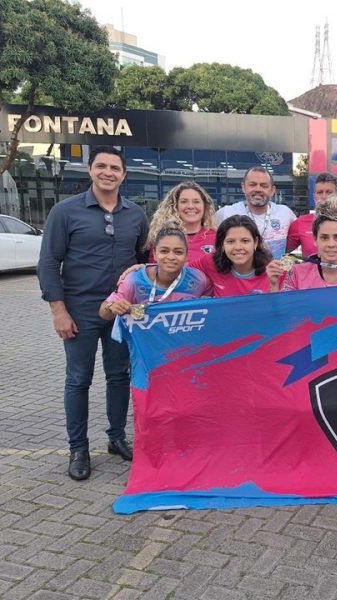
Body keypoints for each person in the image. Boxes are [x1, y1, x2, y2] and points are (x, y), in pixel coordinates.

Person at [37, 145, 149, 481]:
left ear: (124, 175)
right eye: (101, 166)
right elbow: (47, 264)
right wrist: (59, 311)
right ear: (90, 170)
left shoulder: (136, 215)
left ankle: (116, 438)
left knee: (119, 376)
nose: (108, 173)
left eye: (115, 168)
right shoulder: (65, 212)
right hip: (80, 311)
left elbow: (143, 261)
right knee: (78, 379)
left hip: (121, 311)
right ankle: (79, 448)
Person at [100, 222, 209, 320]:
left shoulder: (198, 279)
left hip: (185, 342)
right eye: (164, 251)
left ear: (186, 255)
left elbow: (217, 301)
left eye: (178, 252)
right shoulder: (134, 280)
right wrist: (111, 307)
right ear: (155, 253)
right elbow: (103, 313)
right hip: (147, 342)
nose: (171, 257)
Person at [213, 166, 296, 260]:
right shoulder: (226, 213)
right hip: (238, 274)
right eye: (252, 185)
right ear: (243, 187)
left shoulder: (285, 213)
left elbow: (297, 239)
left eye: (264, 186)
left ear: (272, 190)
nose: (258, 189)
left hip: (275, 273)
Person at [190, 215, 286, 296]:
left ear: (255, 242)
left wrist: (274, 285)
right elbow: (181, 272)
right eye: (230, 241)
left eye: (245, 241)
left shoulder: (274, 270)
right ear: (222, 244)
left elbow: (281, 311)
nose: (238, 247)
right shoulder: (211, 261)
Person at [286, 172, 337, 257]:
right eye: (320, 192)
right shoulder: (300, 223)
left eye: (329, 192)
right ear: (314, 197)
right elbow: (280, 251)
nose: (324, 197)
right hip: (311, 270)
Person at [146, 181, 217, 264]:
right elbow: (153, 270)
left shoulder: (218, 237)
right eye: (184, 201)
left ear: (205, 205)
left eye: (196, 201)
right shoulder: (163, 237)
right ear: (175, 206)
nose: (190, 206)